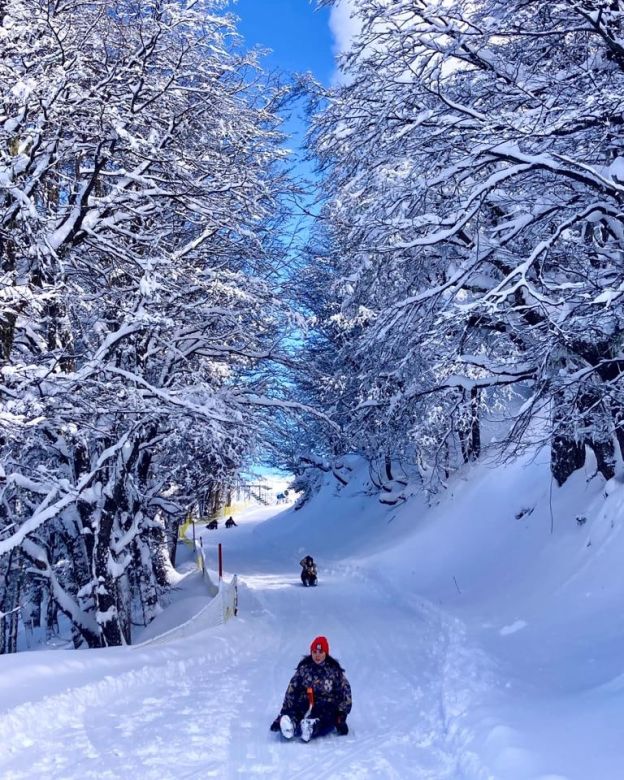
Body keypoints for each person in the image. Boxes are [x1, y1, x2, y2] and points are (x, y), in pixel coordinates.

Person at [269, 635, 351, 742]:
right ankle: (290, 725)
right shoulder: (304, 669)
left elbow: (345, 693)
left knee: (326, 717)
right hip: (306, 705)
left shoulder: (334, 672)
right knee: (297, 710)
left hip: (326, 708)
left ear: (326, 653)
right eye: (314, 652)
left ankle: (311, 727)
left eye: (320, 652)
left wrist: (341, 716)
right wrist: (283, 713)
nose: (317, 655)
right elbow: (292, 691)